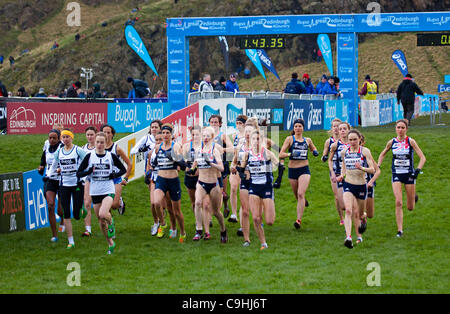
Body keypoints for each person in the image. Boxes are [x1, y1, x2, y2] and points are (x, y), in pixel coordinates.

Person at [77, 132, 127, 254]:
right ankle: (110, 243)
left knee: (103, 213)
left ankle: (111, 222)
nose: (99, 145)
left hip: (108, 189)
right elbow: (79, 173)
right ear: (94, 143)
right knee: (100, 219)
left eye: (102, 142)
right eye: (97, 142)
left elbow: (123, 169)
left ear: (105, 143)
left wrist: (113, 175)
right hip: (95, 191)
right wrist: (88, 171)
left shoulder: (110, 156)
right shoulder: (89, 157)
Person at [377, 119, 426, 237]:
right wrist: (378, 166)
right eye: (398, 127)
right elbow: (382, 154)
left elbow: (422, 158)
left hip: (409, 174)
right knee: (398, 202)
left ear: (406, 129)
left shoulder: (411, 141)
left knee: (410, 207)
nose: (400, 130)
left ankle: (413, 196)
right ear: (395, 128)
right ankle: (400, 230)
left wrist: (417, 171)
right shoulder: (391, 142)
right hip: (397, 174)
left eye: (403, 128)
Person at [46, 129, 86, 249]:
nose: (65, 139)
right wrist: (49, 175)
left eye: (67, 137)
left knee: (77, 215)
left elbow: (88, 161)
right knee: (67, 213)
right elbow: (54, 164)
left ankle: (81, 209)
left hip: (77, 184)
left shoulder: (78, 150)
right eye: (63, 137)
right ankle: (71, 241)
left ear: (72, 138)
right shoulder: (59, 152)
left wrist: (83, 173)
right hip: (64, 185)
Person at [239, 129, 278, 250]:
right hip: (254, 187)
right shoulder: (247, 154)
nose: (255, 141)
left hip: (266, 187)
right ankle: (263, 243)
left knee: (270, 221)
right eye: (253, 139)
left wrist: (278, 179)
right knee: (255, 218)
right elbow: (242, 167)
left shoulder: (267, 153)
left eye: (258, 139)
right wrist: (242, 174)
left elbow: (279, 165)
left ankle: (271, 203)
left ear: (261, 140)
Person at [336, 129, 375, 248]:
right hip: (348, 184)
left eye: (355, 139)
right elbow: (343, 166)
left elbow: (372, 170)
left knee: (360, 213)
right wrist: (342, 175)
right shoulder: (344, 152)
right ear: (347, 140)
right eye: (350, 140)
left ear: (359, 140)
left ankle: (363, 219)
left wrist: (362, 168)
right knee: (348, 210)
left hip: (362, 185)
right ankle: (348, 237)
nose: (352, 142)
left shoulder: (365, 151)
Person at [279, 118, 319, 230]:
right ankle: (303, 201)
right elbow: (281, 154)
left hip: (304, 170)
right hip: (292, 171)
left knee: (301, 193)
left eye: (300, 126)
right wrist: (290, 154)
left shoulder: (308, 140)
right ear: (293, 128)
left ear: (303, 128)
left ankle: (298, 220)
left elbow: (313, 148)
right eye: (296, 126)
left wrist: (315, 151)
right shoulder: (289, 139)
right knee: (297, 195)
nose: (298, 128)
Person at [191, 126, 228, 242]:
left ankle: (223, 230)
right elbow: (195, 164)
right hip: (201, 183)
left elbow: (222, 168)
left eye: (207, 136)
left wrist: (212, 164)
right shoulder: (198, 150)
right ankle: (199, 230)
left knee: (216, 212)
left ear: (212, 137)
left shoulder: (214, 150)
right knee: (197, 203)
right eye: (204, 136)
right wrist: (191, 170)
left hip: (213, 184)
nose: (205, 138)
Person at [152, 123, 186, 242]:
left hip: (173, 181)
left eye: (168, 133)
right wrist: (150, 171)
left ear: (172, 134)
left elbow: (183, 165)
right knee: (156, 202)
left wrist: (174, 158)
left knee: (176, 211)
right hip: (161, 180)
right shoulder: (158, 147)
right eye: (163, 133)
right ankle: (163, 223)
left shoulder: (176, 146)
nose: (165, 135)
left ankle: (181, 232)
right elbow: (155, 162)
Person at [231, 124, 255, 245]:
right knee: (245, 210)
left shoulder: (259, 146)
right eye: (246, 131)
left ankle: (258, 225)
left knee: (255, 213)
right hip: (244, 179)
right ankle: (246, 239)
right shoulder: (240, 146)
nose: (247, 133)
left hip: (257, 179)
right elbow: (234, 161)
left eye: (250, 131)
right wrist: (233, 168)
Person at [38, 129, 64, 242]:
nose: (52, 140)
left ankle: (63, 219)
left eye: (54, 138)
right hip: (50, 180)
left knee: (60, 210)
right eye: (50, 138)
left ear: (59, 138)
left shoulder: (63, 148)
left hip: (63, 180)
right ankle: (55, 235)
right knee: (50, 205)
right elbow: (42, 163)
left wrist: (61, 169)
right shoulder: (47, 149)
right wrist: (41, 168)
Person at [100, 124, 132, 215]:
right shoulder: (98, 148)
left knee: (114, 205)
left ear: (112, 134)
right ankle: (110, 224)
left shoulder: (116, 148)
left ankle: (120, 202)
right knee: (106, 205)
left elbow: (129, 164)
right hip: (104, 179)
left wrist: (126, 178)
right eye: (104, 132)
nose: (106, 134)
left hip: (116, 178)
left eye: (108, 132)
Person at [208, 114, 234, 219]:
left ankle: (225, 205)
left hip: (222, 165)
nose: (214, 124)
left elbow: (232, 148)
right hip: (209, 167)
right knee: (209, 192)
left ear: (220, 124)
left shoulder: (222, 136)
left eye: (216, 122)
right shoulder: (206, 135)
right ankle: (209, 217)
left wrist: (222, 150)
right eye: (212, 122)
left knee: (221, 191)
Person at [321, 118, 344, 224]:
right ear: (331, 128)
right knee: (337, 197)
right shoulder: (328, 142)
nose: (335, 128)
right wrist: (324, 157)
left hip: (346, 171)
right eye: (334, 126)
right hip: (334, 170)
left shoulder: (346, 140)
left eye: (337, 126)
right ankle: (342, 218)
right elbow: (324, 155)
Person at [328, 121, 351, 225]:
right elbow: (329, 160)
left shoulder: (353, 143)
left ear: (348, 130)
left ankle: (353, 217)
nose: (342, 131)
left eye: (344, 129)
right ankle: (344, 217)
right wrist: (332, 172)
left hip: (352, 175)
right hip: (338, 174)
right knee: (342, 204)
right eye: (340, 129)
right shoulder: (335, 145)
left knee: (351, 200)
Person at [228, 115, 247, 224]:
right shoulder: (235, 136)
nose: (238, 125)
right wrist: (233, 164)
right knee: (233, 188)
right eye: (237, 123)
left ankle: (244, 213)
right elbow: (235, 152)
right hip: (236, 164)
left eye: (240, 123)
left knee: (242, 191)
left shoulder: (249, 135)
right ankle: (234, 214)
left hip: (246, 167)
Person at [80, 126, 97, 237]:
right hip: (87, 178)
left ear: (95, 134)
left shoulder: (100, 147)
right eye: (88, 135)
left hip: (100, 179)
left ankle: (108, 224)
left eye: (92, 134)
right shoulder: (83, 149)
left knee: (99, 206)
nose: (90, 137)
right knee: (86, 203)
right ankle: (88, 230)